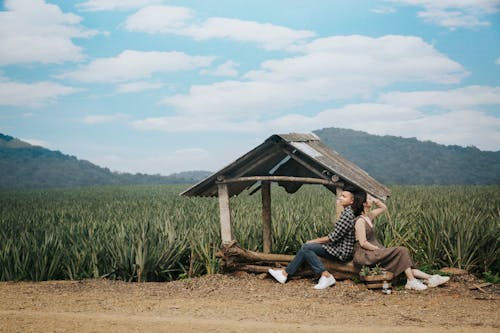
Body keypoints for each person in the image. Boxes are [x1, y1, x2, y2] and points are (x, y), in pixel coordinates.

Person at [268, 186, 366, 289]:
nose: (340, 198)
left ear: (352, 201)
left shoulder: (347, 215)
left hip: (341, 251)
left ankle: (325, 275)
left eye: (344, 196)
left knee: (307, 247)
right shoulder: (349, 212)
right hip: (341, 248)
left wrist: (312, 241)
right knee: (306, 247)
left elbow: (332, 238)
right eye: (341, 195)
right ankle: (285, 273)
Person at [353, 195, 450, 291]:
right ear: (364, 203)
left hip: (373, 250)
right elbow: (363, 243)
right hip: (366, 254)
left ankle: (430, 278)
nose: (372, 200)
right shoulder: (360, 221)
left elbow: (383, 207)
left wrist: (375, 200)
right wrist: (378, 249)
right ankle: (412, 280)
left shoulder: (369, 216)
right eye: (369, 199)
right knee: (402, 250)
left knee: (403, 262)